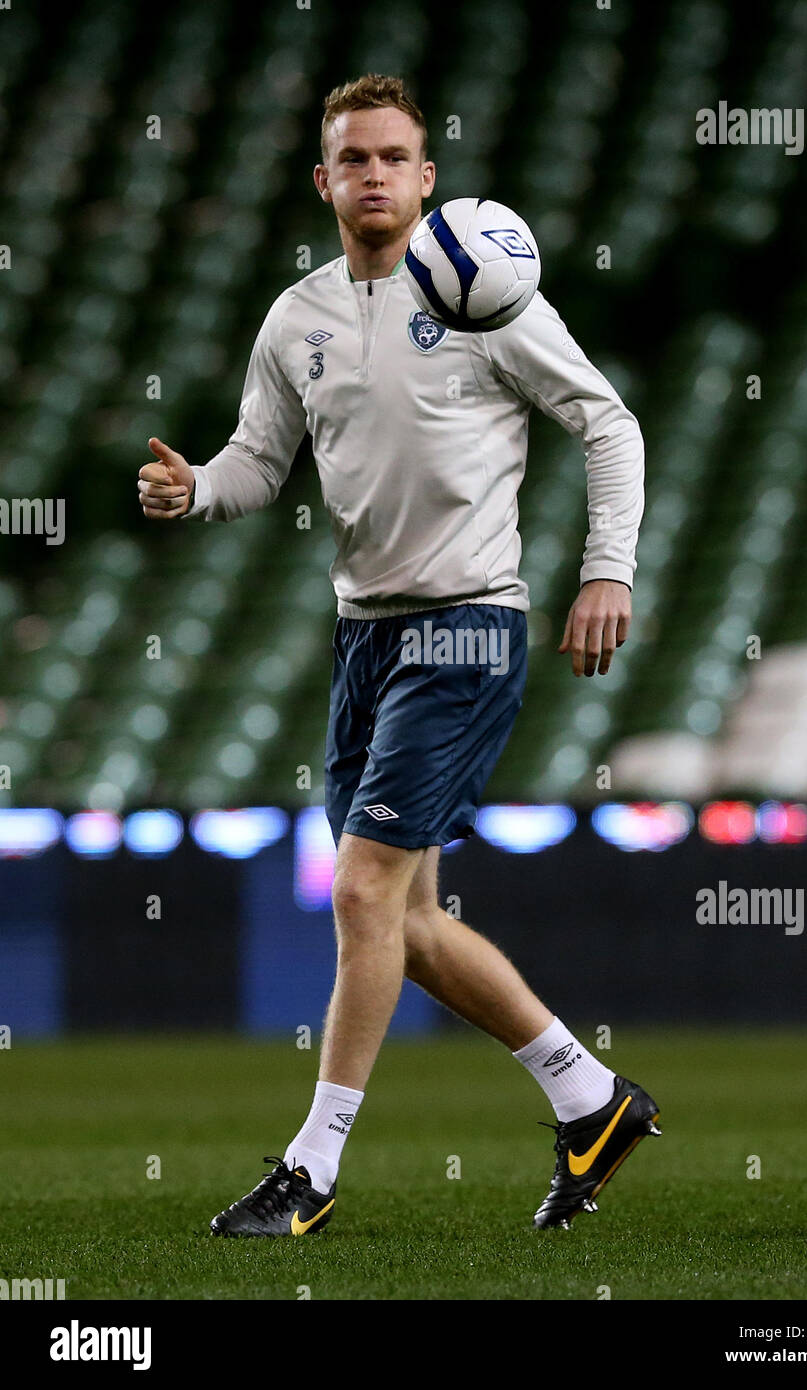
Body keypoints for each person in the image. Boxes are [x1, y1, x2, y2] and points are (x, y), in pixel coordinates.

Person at [138, 73, 660, 1236]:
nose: (372, 174)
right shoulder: (297, 317)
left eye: (392, 157)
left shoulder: (485, 292)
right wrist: (195, 489)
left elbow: (608, 423)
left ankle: (311, 1171)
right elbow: (257, 462)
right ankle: (591, 1099)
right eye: (352, 158)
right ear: (322, 181)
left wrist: (607, 568)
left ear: (427, 178)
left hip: (466, 624)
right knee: (407, 925)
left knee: (362, 889)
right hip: (364, 635)